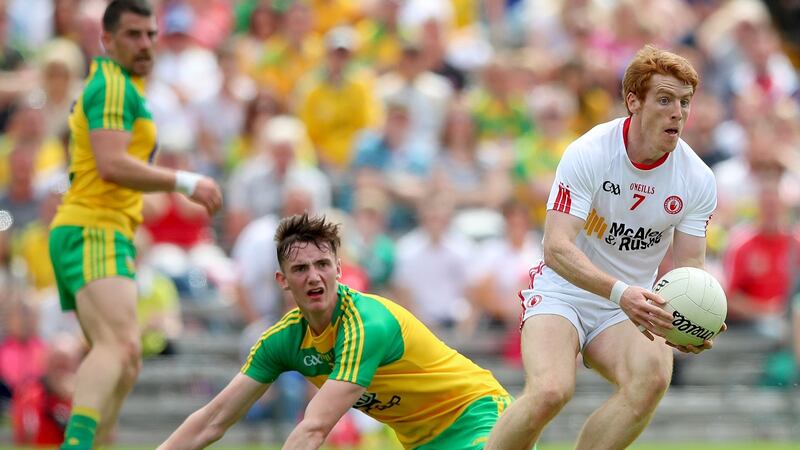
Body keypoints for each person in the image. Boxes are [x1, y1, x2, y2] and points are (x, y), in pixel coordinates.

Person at [485, 45, 721, 450]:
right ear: (633, 101)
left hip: (628, 306)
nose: (677, 112)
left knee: (652, 380)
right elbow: (555, 248)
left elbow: (689, 268)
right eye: (665, 99)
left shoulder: (697, 178)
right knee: (551, 391)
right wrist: (620, 292)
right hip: (565, 292)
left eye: (684, 102)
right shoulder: (589, 152)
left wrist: (694, 320)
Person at [158, 213, 511, 450]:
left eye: (322, 264)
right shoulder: (282, 340)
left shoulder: (365, 324)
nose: (314, 276)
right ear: (282, 281)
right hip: (423, 442)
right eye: (300, 268)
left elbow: (314, 427)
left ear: (338, 269)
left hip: (479, 417)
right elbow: (213, 419)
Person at [47, 2, 222, 449]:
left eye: (150, 33)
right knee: (119, 347)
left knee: (125, 360)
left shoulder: (125, 87)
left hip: (105, 230)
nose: (144, 43)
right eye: (132, 34)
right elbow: (110, 164)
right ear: (107, 40)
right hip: (94, 228)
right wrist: (185, 181)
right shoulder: (111, 86)